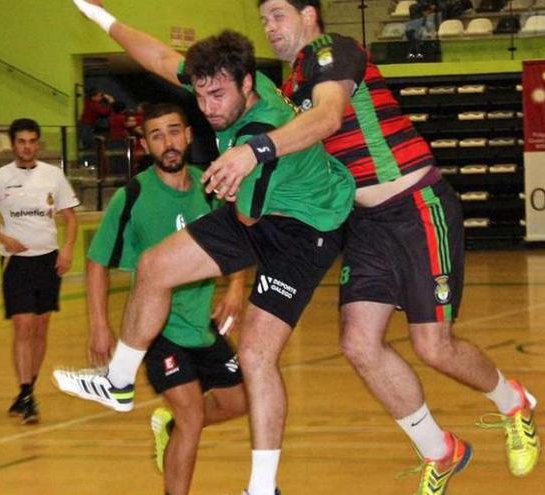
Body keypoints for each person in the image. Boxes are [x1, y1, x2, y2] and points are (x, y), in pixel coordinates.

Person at [203, 1, 540, 493]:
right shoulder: (291, 84)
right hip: (365, 222)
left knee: (433, 346)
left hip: (416, 205)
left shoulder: (332, 52)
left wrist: (254, 150)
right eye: (264, 20)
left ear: (310, 14)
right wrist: (103, 19)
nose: (270, 27)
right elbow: (189, 71)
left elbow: (330, 117)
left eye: (278, 14)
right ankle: (440, 450)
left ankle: (515, 402)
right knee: (358, 343)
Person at [55, 5, 355, 495]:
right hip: (259, 204)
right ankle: (120, 380)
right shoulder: (224, 76)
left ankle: (262, 488)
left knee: (257, 357)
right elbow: (157, 56)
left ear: (246, 86)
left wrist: (245, 164)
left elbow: (248, 220)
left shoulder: (262, 127)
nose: (209, 106)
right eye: (200, 95)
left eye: (217, 95)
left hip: (305, 227)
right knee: (153, 266)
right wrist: (102, 18)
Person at [86, 103, 247, 495]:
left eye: (174, 132)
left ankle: (170, 427)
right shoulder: (133, 196)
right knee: (192, 416)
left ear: (189, 135)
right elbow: (96, 262)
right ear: (145, 144)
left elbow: (239, 238)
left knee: (238, 402)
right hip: (156, 331)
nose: (168, 143)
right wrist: (99, 324)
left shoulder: (210, 187)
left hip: (200, 325)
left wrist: (236, 287)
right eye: (156, 135)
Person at [0, 118, 80, 425]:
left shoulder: (54, 176)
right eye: (21, 141)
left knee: (41, 327)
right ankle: (26, 393)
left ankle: (27, 391)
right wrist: (4, 238)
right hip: (16, 263)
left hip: (48, 261)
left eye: (32, 141)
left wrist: (68, 248)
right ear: (13, 144)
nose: (27, 146)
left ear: (38, 143)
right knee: (23, 325)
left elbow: (70, 218)